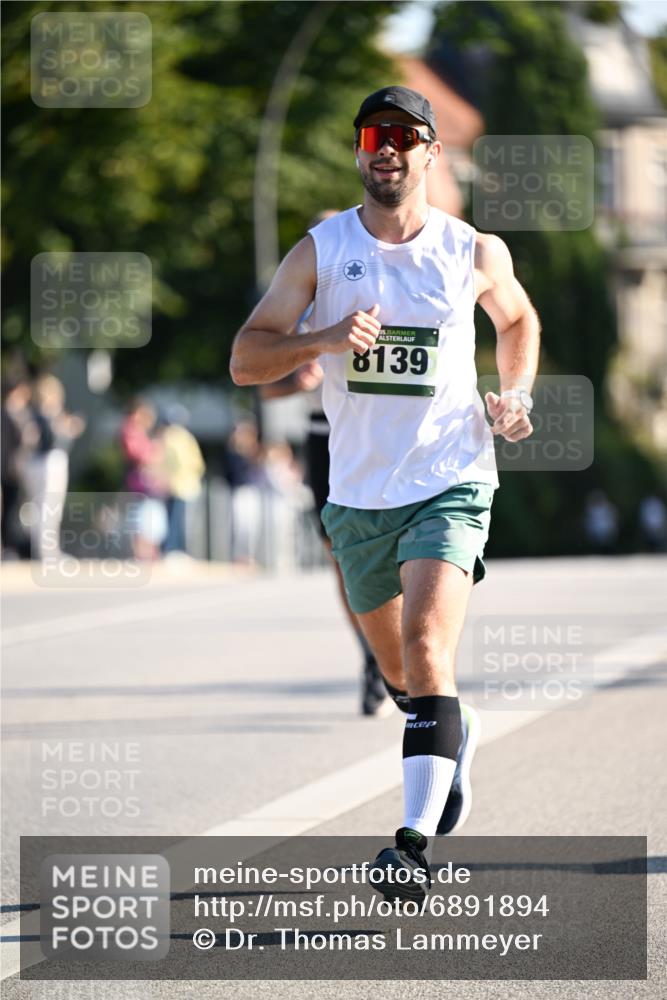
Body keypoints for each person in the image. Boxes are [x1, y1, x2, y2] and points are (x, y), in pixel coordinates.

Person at [230, 86, 540, 899]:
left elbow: (516, 322)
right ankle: (450, 733)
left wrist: (515, 395)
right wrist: (324, 337)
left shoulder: (471, 250)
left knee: (429, 648)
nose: (389, 149)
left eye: (405, 136)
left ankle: (409, 846)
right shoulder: (321, 250)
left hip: (450, 477)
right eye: (375, 135)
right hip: (358, 491)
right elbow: (246, 359)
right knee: (401, 670)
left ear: (431, 152)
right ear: (359, 150)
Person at [261, 211, 393, 718]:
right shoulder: (300, 302)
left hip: (377, 431)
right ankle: (371, 655)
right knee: (341, 556)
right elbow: (263, 384)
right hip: (324, 437)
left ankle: (397, 646)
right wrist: (296, 377)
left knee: (395, 546)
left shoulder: (379, 288)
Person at [21, 374, 85, 559]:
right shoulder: (49, 413)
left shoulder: (33, 413)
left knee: (40, 507)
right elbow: (53, 438)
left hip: (36, 463)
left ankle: (43, 549)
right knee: (49, 508)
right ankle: (47, 551)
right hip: (49, 462)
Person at [156, 407, 206, 556]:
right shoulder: (185, 437)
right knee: (179, 520)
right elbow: (197, 464)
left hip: (176, 485)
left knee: (174, 519)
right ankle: (174, 549)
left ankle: (170, 549)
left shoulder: (169, 436)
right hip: (184, 485)